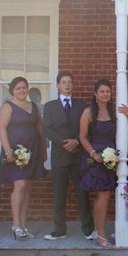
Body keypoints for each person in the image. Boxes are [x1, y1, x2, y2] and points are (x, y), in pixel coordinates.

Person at [78, 79, 128, 248]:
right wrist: (93, 153)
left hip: (110, 159)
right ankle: (100, 234)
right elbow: (82, 136)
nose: (105, 94)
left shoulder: (115, 112)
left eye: (108, 91)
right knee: (102, 195)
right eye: (102, 91)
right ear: (95, 94)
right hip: (96, 158)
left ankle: (98, 232)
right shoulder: (89, 112)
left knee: (104, 195)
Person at [42, 71, 93, 241]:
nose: (67, 85)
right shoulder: (49, 106)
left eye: (70, 82)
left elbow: (87, 128)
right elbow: (47, 129)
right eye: (63, 82)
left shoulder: (81, 106)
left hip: (78, 155)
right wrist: (64, 143)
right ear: (58, 85)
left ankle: (88, 229)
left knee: (82, 193)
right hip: (59, 155)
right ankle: (59, 230)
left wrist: (77, 142)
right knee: (59, 194)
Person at [0, 76, 47, 240]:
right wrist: (7, 150)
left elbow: (39, 127)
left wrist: (44, 148)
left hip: (33, 150)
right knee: (20, 184)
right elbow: (1, 128)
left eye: (24, 87)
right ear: (12, 90)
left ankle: (23, 226)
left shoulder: (33, 106)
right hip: (15, 152)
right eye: (18, 88)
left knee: (27, 186)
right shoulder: (8, 106)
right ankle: (16, 224)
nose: (22, 90)